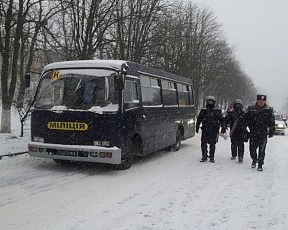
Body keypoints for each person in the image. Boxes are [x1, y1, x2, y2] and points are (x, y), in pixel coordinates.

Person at [246, 94, 275, 171]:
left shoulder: (269, 110)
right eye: (260, 100)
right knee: (252, 149)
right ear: (257, 100)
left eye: (263, 100)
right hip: (253, 132)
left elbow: (272, 121)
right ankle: (254, 159)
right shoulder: (251, 108)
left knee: (262, 150)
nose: (261, 102)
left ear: (265, 101)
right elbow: (246, 119)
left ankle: (260, 164)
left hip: (263, 132)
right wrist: (245, 129)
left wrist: (272, 130)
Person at [196, 96, 224, 163]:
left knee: (212, 144)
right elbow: (199, 119)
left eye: (211, 101)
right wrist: (197, 126)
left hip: (214, 130)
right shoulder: (204, 110)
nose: (210, 103)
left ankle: (212, 157)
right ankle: (204, 156)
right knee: (203, 143)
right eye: (209, 101)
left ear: (214, 102)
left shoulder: (217, 111)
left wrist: (223, 128)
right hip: (205, 129)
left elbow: (222, 119)